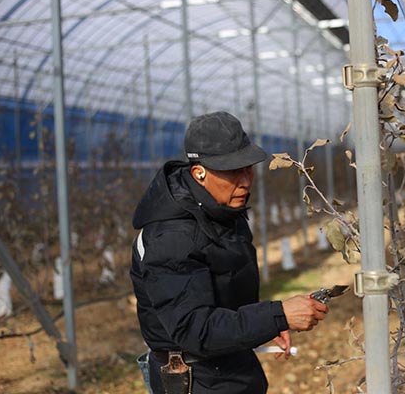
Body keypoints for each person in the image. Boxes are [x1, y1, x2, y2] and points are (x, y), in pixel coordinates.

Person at [130, 111, 329, 394]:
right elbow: (195, 329)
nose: (245, 180)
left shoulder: (222, 213)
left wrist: (265, 323)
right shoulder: (172, 238)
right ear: (199, 172)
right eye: (232, 171)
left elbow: (223, 293)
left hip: (226, 370)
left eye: (247, 168)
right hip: (195, 380)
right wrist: (277, 315)